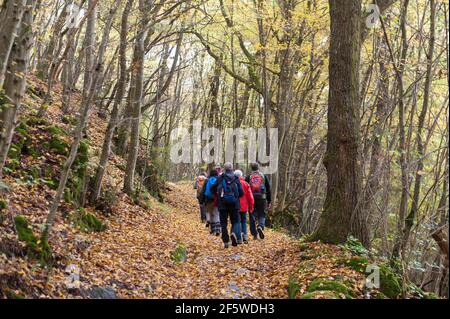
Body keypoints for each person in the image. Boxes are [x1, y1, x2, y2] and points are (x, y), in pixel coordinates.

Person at [211, 162, 244, 248]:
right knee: (235, 221)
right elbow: (241, 192)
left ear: (224, 169)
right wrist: (235, 197)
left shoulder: (221, 177)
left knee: (223, 223)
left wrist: (217, 194)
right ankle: (233, 233)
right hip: (234, 204)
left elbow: (213, 188)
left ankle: (226, 241)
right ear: (232, 168)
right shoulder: (236, 177)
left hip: (222, 204)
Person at [246, 163, 272, 240]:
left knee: (252, 215)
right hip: (262, 198)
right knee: (262, 214)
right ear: (258, 168)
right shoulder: (263, 176)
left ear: (251, 168)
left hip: (251, 198)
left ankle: (254, 234)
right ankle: (260, 226)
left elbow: (245, 189)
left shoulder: (248, 177)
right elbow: (268, 189)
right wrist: (269, 200)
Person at [234, 170, 254, 244]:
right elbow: (250, 197)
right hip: (244, 206)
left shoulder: (233, 183)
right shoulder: (246, 184)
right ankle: (245, 236)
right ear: (241, 175)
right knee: (244, 221)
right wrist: (251, 207)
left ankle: (238, 238)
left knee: (237, 221)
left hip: (236, 206)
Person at [200, 169, 221, 236]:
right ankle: (218, 229)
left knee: (211, 214)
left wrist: (201, 200)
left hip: (208, 199)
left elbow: (203, 191)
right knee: (217, 213)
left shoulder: (207, 180)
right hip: (217, 198)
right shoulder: (219, 180)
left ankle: (213, 229)